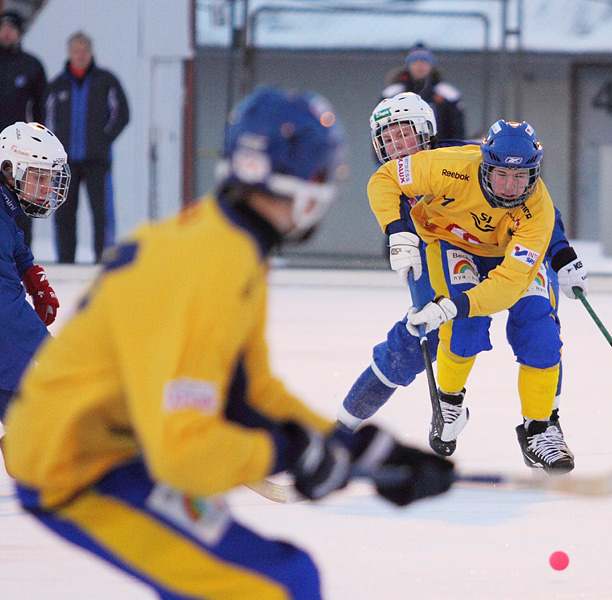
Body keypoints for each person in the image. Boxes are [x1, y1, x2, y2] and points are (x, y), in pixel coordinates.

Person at [1, 87, 454, 600]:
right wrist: (286, 451)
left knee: (268, 575)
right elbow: (184, 452)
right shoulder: (216, 266)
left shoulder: (227, 239)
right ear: (303, 183)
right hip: (77, 463)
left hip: (118, 441)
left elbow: (252, 390)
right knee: (278, 582)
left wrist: (356, 445)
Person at [339, 94, 588, 472]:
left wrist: (561, 251)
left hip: (509, 251)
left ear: (427, 133)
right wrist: (396, 232)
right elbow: (385, 181)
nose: (398, 148)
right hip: (446, 245)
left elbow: (538, 215)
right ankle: (349, 425)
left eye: (405, 136)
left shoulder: (456, 162)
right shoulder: (414, 172)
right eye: (388, 141)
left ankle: (542, 425)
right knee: (427, 335)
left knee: (539, 328)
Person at [0, 121, 69, 418]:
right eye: (39, 178)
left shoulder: (5, 209)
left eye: (51, 179)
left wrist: (30, 273)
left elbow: (12, 241)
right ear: (9, 169)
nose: (48, 189)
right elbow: (5, 308)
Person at [45, 31, 130, 264]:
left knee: (101, 214)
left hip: (97, 161)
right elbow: (46, 120)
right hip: (65, 164)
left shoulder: (106, 81)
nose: (81, 56)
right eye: (76, 51)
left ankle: (103, 261)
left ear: (91, 53)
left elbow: (121, 113)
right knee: (64, 214)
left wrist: (103, 139)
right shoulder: (57, 84)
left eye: (85, 51)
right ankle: (65, 262)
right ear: (69, 54)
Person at [0, 10, 48, 246]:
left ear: (19, 33)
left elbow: (41, 110)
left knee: (20, 200)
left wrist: (38, 144)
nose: (6, 33)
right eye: (3, 28)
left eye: (11, 29)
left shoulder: (31, 66)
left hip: (18, 149)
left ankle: (21, 255)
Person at [382, 42, 466, 140]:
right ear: (409, 65)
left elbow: (458, 131)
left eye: (424, 62)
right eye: (415, 62)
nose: (420, 66)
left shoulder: (448, 94)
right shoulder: (392, 94)